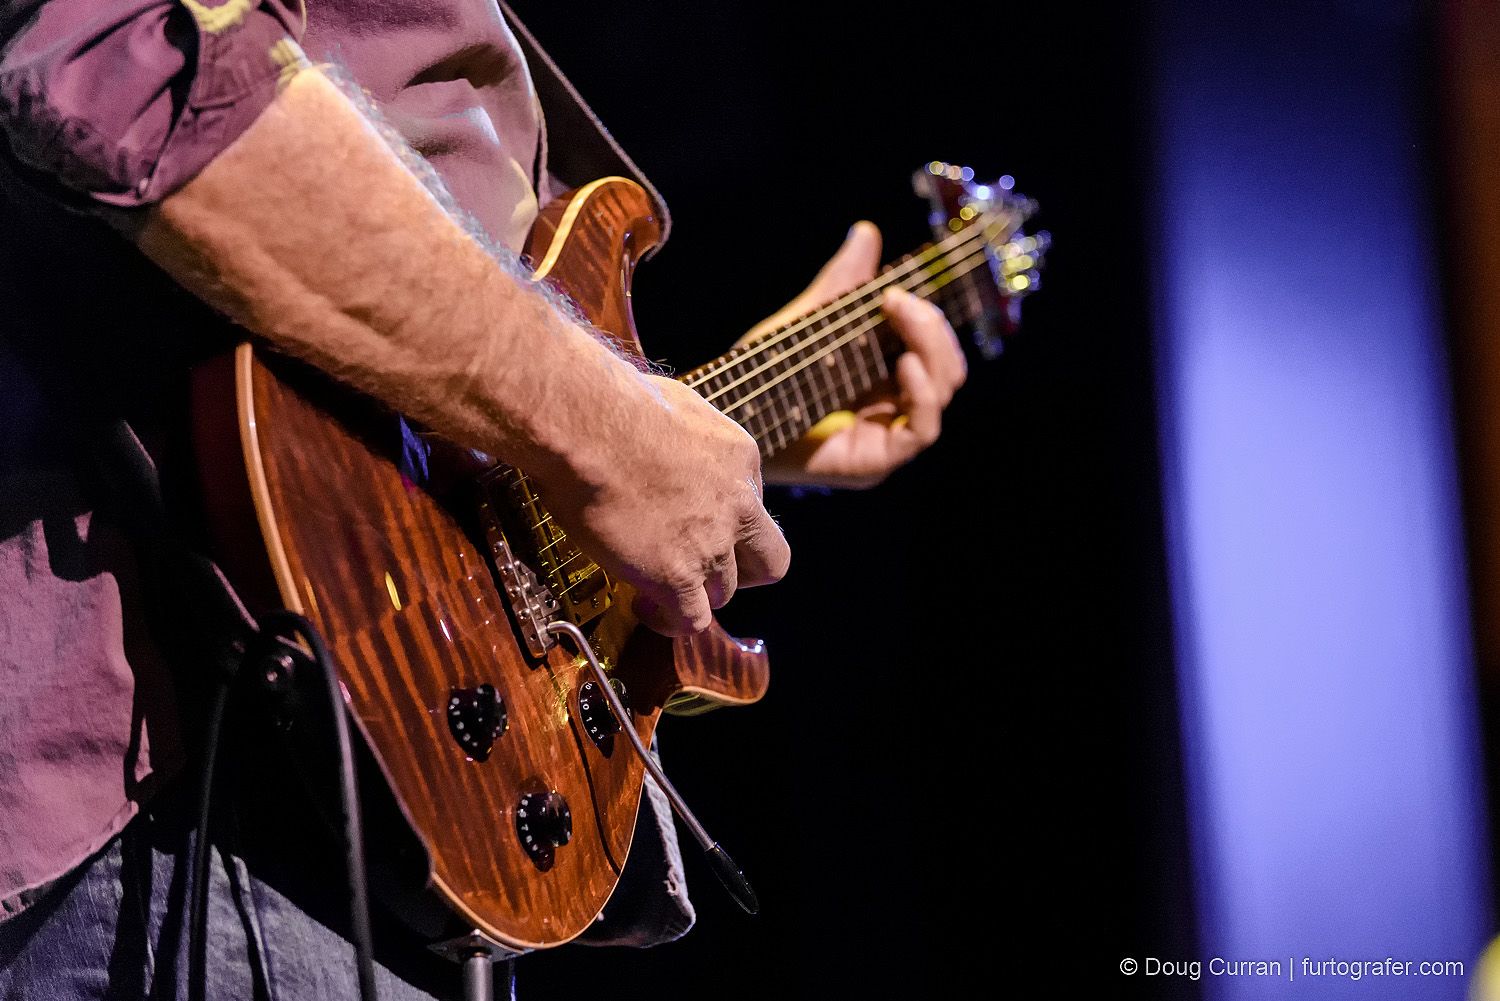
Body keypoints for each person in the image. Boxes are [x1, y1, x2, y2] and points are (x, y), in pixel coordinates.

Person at [0, 1, 968, 997]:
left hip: (365, 802)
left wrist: (706, 451)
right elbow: (126, 56)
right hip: (186, 760)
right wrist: (608, 430)